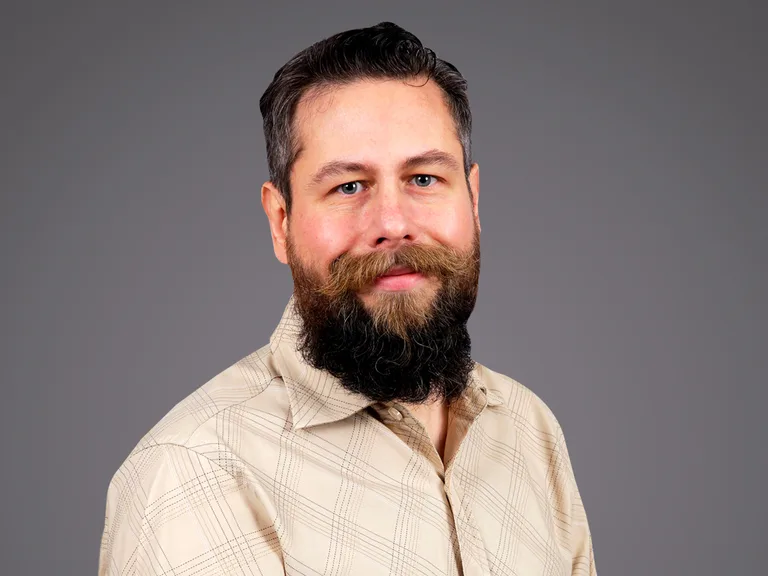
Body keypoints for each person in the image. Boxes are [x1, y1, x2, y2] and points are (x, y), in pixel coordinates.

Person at [98, 21, 597, 576]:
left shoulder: (528, 428)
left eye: (425, 179)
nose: (393, 224)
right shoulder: (196, 476)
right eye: (349, 186)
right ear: (280, 220)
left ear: (473, 199)